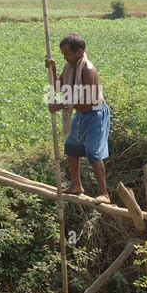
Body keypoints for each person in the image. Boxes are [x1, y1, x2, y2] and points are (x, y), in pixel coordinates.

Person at [46, 33, 111, 204]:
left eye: (67, 54)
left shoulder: (88, 70)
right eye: (63, 55)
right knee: (71, 147)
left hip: (95, 114)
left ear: (79, 52)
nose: (65, 58)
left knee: (93, 153)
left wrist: (60, 106)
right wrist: (52, 70)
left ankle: (104, 193)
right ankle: (76, 185)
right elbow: (59, 86)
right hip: (81, 113)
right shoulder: (69, 67)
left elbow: (87, 99)